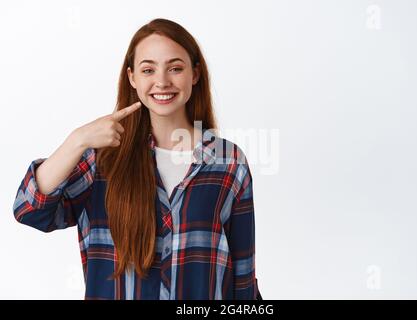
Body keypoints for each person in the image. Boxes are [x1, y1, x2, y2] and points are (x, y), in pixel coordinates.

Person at [12, 18, 262, 300]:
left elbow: (243, 275)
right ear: (132, 78)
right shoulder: (101, 158)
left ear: (195, 74)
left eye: (175, 68)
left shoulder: (228, 162)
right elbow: (29, 210)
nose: (162, 81)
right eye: (148, 69)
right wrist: (77, 140)